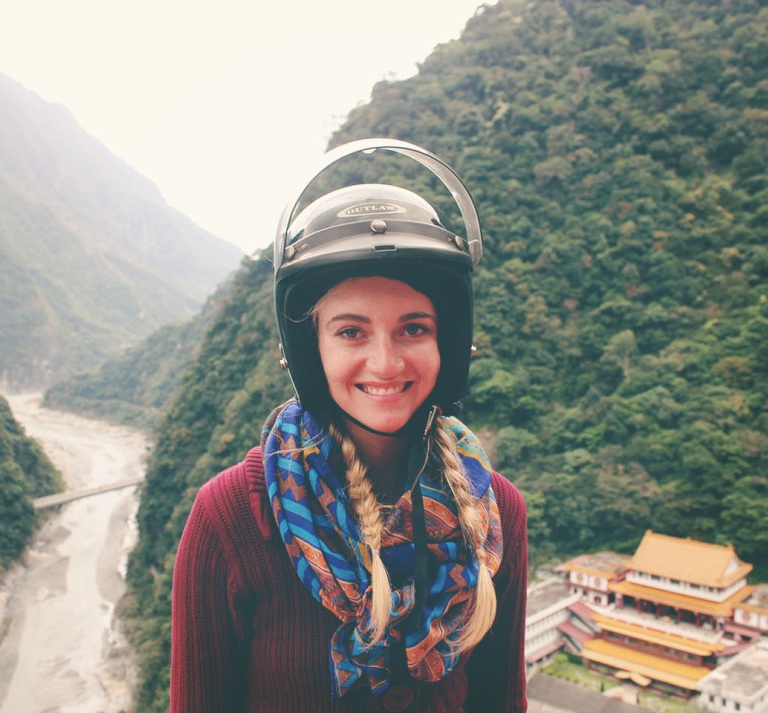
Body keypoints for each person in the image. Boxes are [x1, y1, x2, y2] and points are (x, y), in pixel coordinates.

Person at [170, 139, 528, 712]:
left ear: (450, 341)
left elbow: (501, 701)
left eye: (414, 328)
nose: (385, 363)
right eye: (351, 332)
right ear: (309, 350)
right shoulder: (232, 517)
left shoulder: (495, 510)